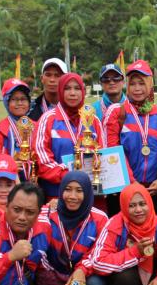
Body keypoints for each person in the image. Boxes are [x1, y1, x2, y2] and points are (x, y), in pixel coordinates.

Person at [41, 171, 109, 285]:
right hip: (52, 276)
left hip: (82, 276)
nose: (72, 196)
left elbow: (99, 252)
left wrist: (81, 270)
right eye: (67, 189)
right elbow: (40, 248)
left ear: (88, 193)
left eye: (79, 191)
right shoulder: (48, 213)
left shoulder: (100, 218)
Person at [103, 60, 157, 212]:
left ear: (150, 84)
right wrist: (132, 182)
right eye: (132, 84)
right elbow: (112, 150)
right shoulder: (116, 112)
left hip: (154, 189)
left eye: (141, 83)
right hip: (124, 188)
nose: (137, 88)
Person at [34, 73, 105, 201]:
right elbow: (43, 161)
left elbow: (103, 154)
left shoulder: (93, 120)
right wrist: (69, 177)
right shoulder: (47, 119)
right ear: (60, 91)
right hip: (57, 196)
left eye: (77, 88)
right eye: (67, 88)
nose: (73, 93)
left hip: (89, 196)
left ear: (83, 91)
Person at [0, 78, 35, 182]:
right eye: (14, 99)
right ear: (6, 102)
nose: (20, 103)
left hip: (36, 185)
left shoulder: (38, 127)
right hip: (8, 185)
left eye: (23, 99)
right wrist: (8, 165)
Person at [28, 57, 67, 122]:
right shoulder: (30, 109)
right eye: (48, 75)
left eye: (57, 75)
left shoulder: (74, 108)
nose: (52, 80)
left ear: (65, 79)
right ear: (42, 78)